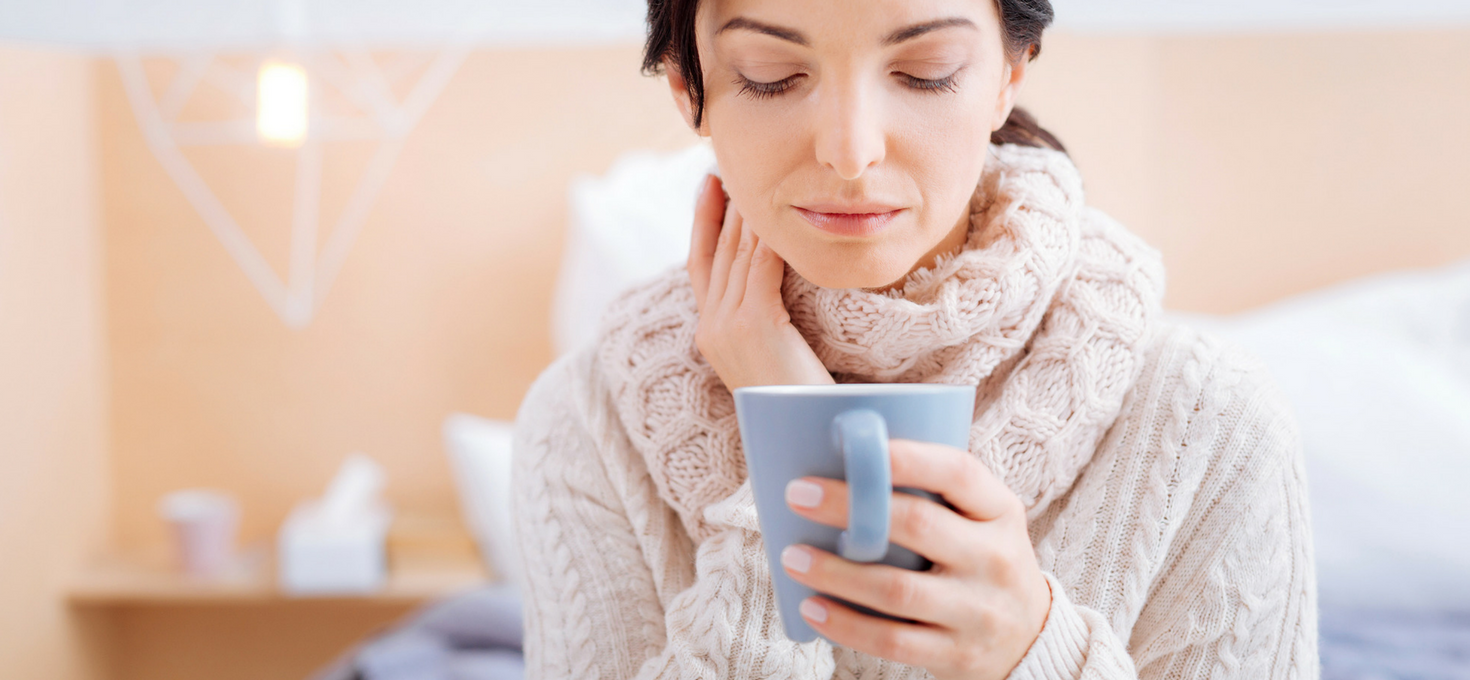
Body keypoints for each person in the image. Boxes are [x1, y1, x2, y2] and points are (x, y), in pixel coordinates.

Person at [511, 0, 1318, 677]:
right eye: (772, 75)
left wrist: (1035, 651)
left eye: (924, 72)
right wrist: (787, 457)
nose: (851, 151)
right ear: (692, 90)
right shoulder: (588, 421)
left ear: (1011, 72)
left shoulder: (1213, 429)